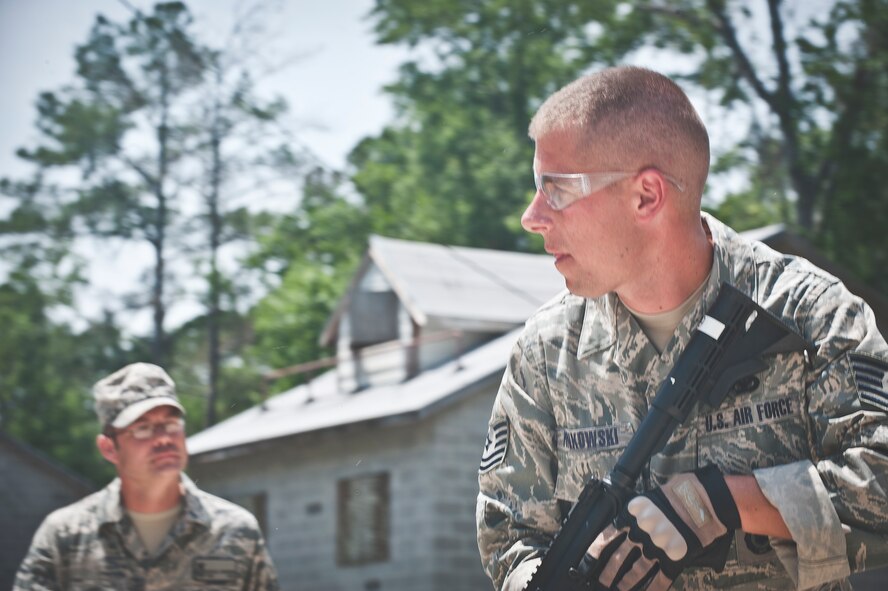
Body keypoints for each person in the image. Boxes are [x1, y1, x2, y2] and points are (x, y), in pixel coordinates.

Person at [476, 66, 888, 591]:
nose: (531, 216)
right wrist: (557, 580)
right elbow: (508, 534)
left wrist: (725, 503)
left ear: (646, 196)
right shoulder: (546, 353)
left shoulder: (810, 315)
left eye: (556, 190)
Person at [14, 362, 280, 591]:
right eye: (142, 428)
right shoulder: (65, 535)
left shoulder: (235, 530)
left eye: (171, 424)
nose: (163, 439)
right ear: (109, 447)